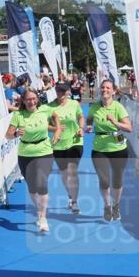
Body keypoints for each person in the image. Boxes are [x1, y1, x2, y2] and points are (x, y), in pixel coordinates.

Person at [6, 89, 61, 233]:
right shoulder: (18, 115)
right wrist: (16, 133)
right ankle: (39, 209)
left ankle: (43, 218)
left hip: (44, 150)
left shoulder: (44, 109)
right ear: (23, 101)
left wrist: (58, 130)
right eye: (28, 99)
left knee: (42, 183)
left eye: (34, 99)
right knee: (32, 187)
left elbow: (55, 116)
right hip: (25, 153)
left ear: (37, 99)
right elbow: (8, 135)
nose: (32, 102)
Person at [87, 80, 133, 221]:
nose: (104, 89)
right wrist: (89, 126)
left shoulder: (118, 107)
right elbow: (89, 120)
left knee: (117, 180)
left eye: (108, 88)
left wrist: (115, 122)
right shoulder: (94, 107)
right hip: (99, 148)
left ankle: (116, 205)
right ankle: (107, 206)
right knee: (104, 180)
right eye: (102, 87)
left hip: (118, 148)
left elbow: (129, 128)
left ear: (113, 91)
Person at [51, 81, 85, 214]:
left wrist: (81, 128)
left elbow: (81, 116)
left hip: (75, 142)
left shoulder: (74, 104)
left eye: (62, 91)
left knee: (72, 171)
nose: (60, 93)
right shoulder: (49, 107)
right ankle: (70, 196)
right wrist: (55, 128)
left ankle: (75, 202)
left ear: (67, 92)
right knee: (65, 175)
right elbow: (45, 125)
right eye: (58, 90)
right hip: (58, 144)